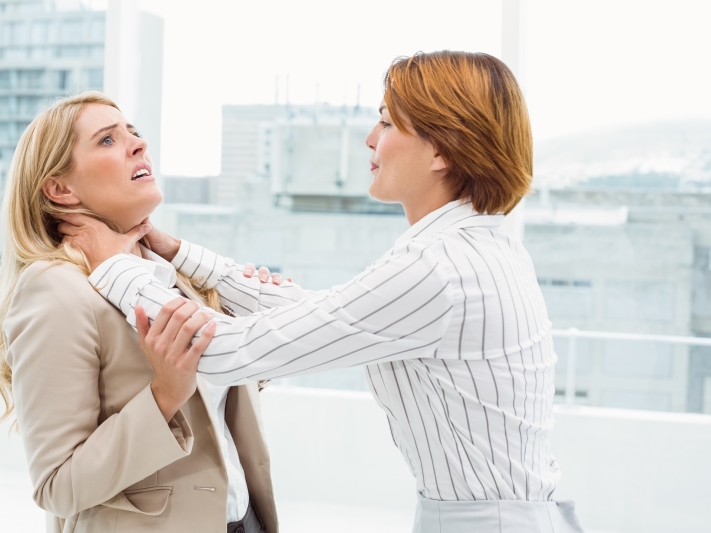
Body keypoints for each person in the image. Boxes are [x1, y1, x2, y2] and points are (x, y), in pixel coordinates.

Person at [62, 51, 584, 533]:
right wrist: (179, 254)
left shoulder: (438, 270)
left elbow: (223, 351)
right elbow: (326, 315)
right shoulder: (477, 247)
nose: (370, 139)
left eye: (387, 122)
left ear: (442, 149)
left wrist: (112, 266)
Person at [0, 92, 276, 533]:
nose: (139, 144)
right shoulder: (55, 288)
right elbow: (57, 485)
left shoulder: (172, 274)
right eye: (107, 140)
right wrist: (164, 396)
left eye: (134, 133)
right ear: (61, 189)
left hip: (244, 520)